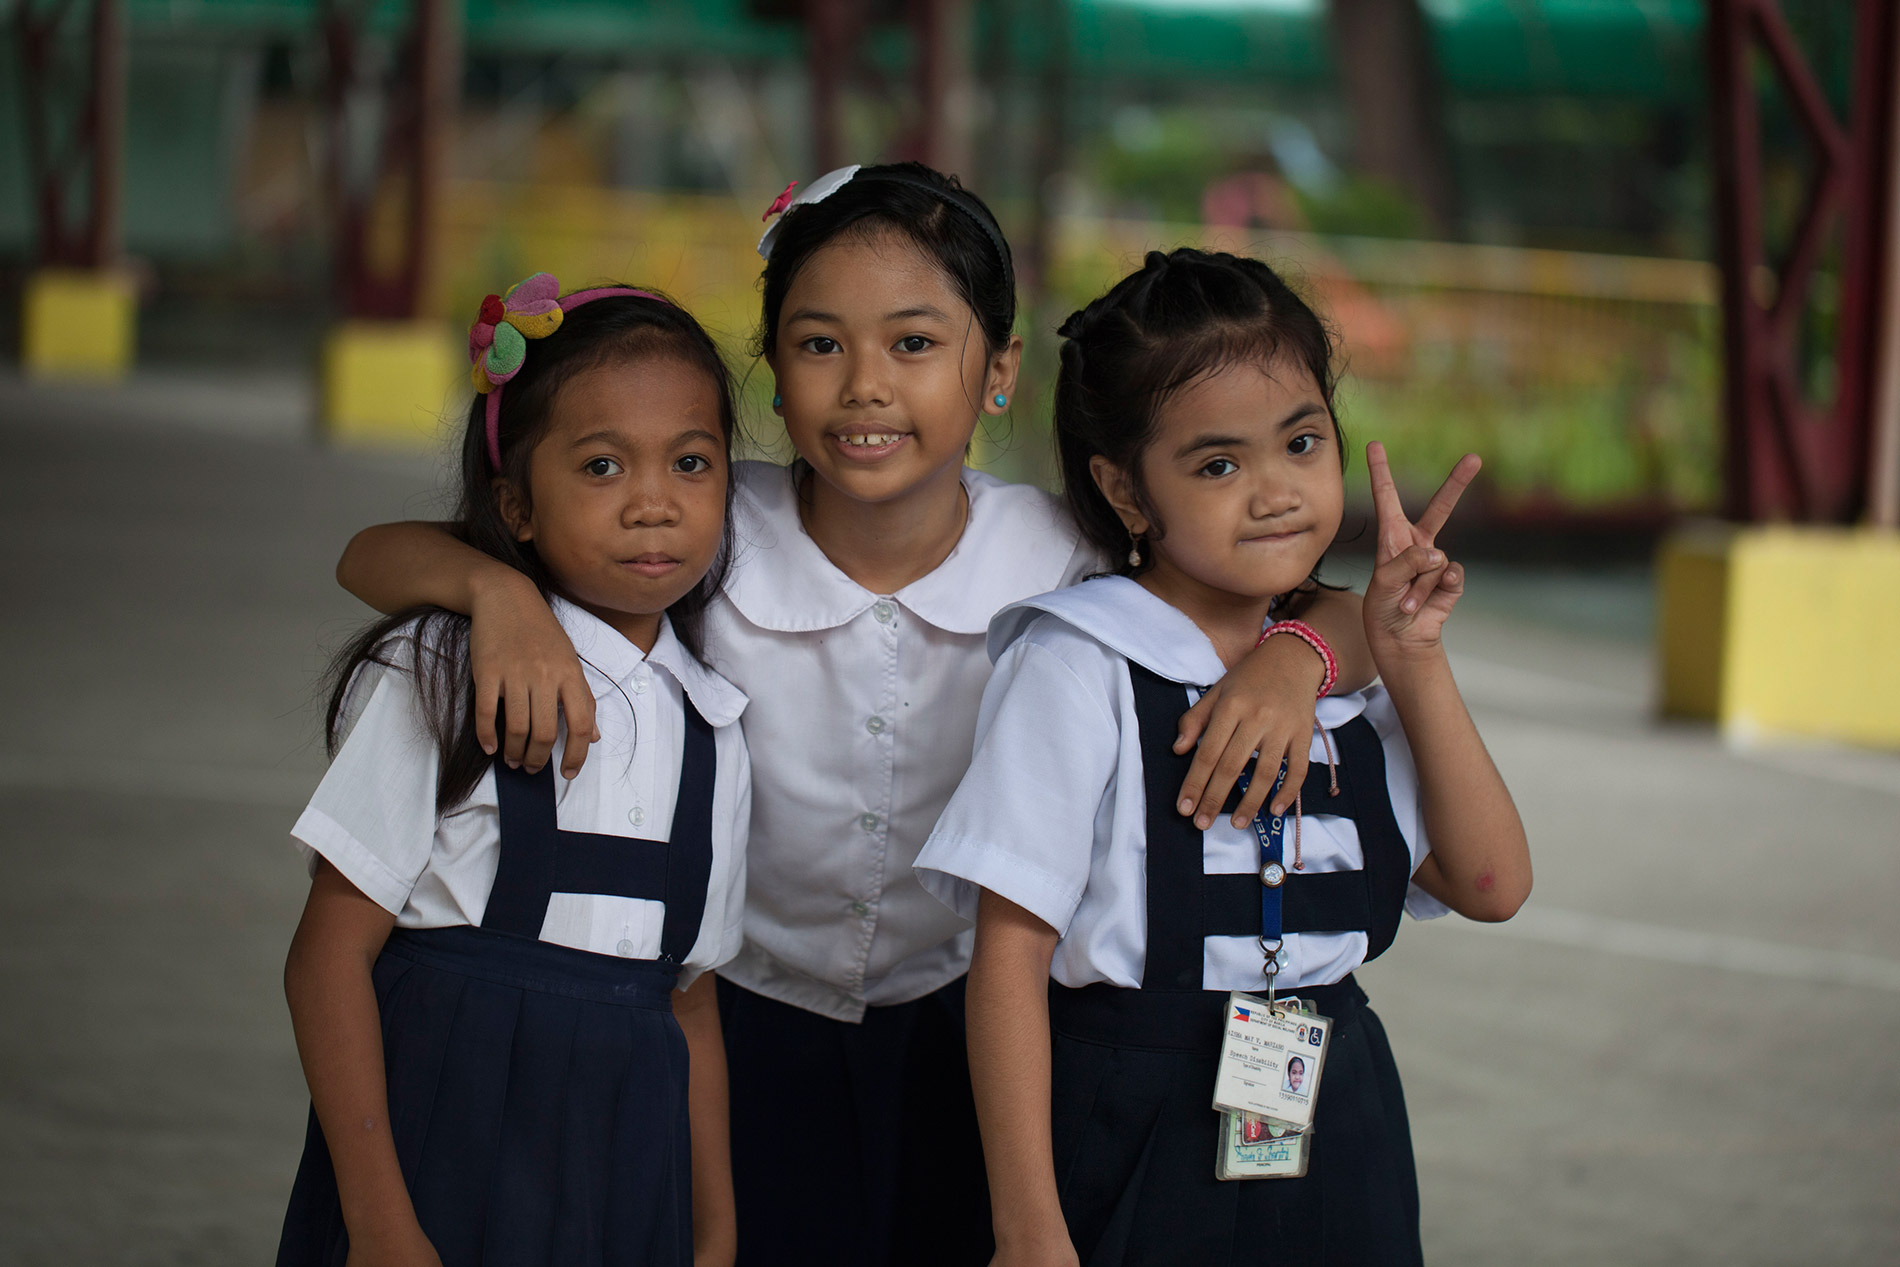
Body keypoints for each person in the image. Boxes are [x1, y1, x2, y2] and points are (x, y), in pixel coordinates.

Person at [329, 167, 1374, 1266]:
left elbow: (1340, 612)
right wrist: (495, 592)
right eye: (820, 344)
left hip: (975, 1025)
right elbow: (371, 556)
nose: (866, 385)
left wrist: (1295, 658)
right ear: (774, 373)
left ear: (999, 371)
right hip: (739, 1014)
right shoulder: (703, 519)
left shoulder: (1066, 555)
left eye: (914, 343)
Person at [914, 248, 1533, 1266]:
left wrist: (1413, 659)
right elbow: (1009, 958)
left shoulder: (1356, 664)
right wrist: (1026, 1225)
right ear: (1123, 490)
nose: (1277, 491)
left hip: (1336, 1108)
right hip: (1133, 1113)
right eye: (1217, 464)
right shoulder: (1079, 663)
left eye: (1301, 441)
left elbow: (1492, 885)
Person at [278, 278, 751, 1267]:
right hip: (434, 1156)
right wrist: (380, 1227)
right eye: (602, 465)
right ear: (515, 507)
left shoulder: (716, 728)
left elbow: (690, 999)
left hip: (624, 1180)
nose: (654, 502)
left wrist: (714, 1233)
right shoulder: (440, 667)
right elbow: (326, 959)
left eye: (692, 461)